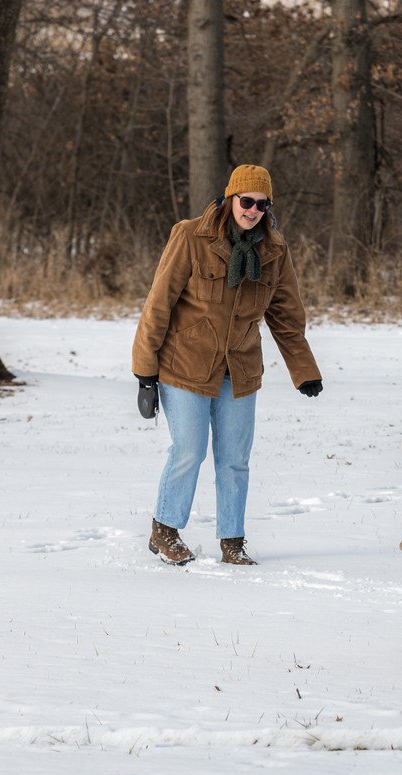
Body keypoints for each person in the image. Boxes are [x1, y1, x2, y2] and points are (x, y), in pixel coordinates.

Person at [132, 164, 323, 567]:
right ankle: (164, 528)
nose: (252, 210)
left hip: (239, 369)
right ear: (230, 198)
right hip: (184, 364)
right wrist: (145, 373)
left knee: (235, 459)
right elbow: (158, 304)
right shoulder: (190, 236)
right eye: (246, 201)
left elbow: (286, 316)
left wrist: (304, 371)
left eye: (261, 204)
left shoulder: (274, 250)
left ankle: (232, 541)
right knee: (189, 449)